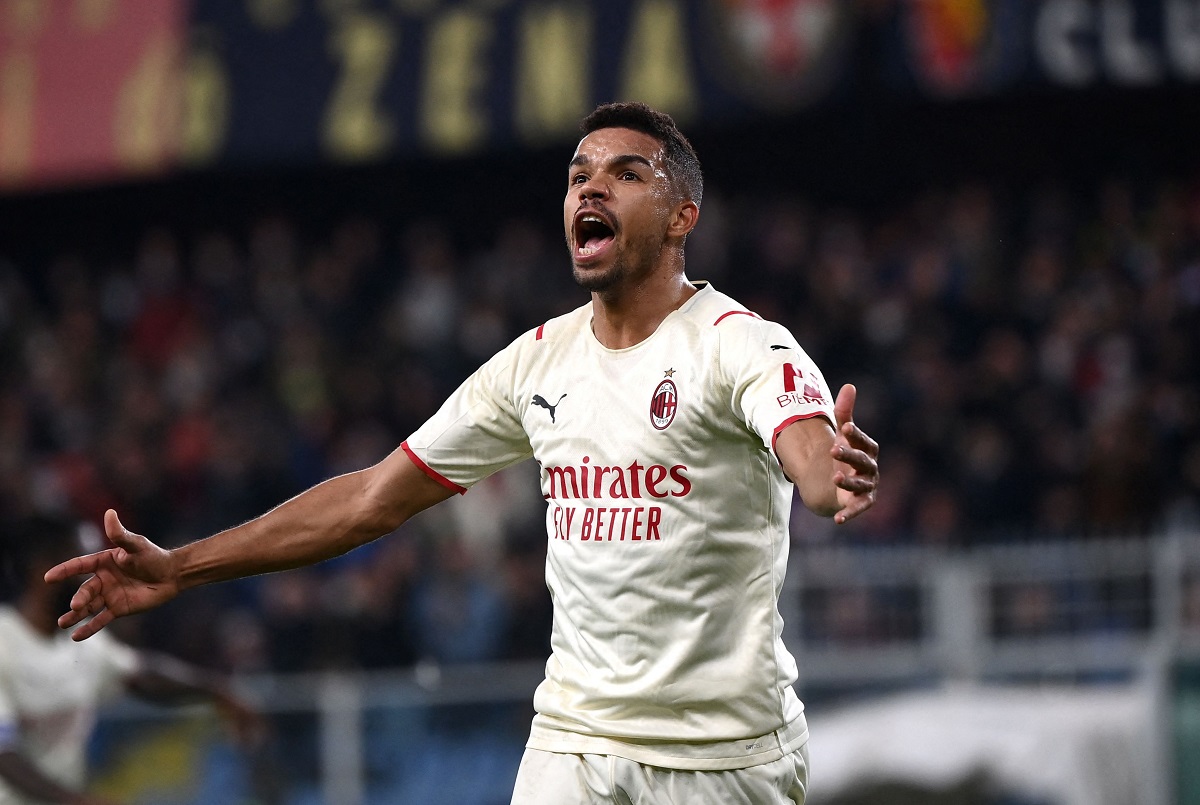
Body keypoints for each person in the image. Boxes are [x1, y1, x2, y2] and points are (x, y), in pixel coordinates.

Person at [47, 102, 879, 804]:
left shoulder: (740, 344)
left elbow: (808, 451)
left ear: (682, 216)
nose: (590, 185)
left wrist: (828, 474)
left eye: (626, 173)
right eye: (578, 173)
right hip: (575, 741)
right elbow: (371, 497)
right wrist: (181, 566)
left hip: (725, 757)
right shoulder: (536, 363)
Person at [0, 515, 260, 805]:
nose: (97, 578)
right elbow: (3, 753)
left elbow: (141, 674)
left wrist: (216, 690)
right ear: (44, 570)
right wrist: (75, 801)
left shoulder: (83, 639)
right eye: (85, 566)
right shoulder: (4, 643)